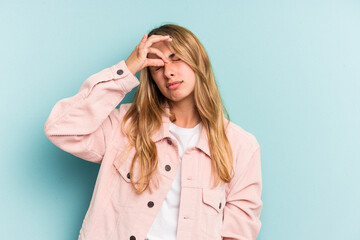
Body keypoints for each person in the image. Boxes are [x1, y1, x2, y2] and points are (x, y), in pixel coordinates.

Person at [44, 23, 263, 240]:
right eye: (157, 67)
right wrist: (127, 70)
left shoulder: (240, 145)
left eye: (176, 58)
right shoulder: (125, 126)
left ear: (198, 61)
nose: (168, 72)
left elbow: (238, 233)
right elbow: (61, 128)